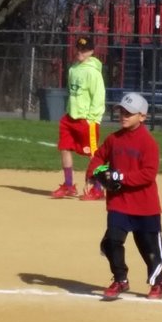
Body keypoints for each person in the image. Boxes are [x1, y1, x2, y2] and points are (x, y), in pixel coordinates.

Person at [85, 91, 162, 300]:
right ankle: (120, 279)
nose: (123, 115)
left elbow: (148, 174)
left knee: (149, 250)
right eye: (121, 111)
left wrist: (121, 177)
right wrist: (92, 175)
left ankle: (158, 281)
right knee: (111, 241)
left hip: (144, 206)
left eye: (129, 113)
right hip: (119, 203)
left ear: (142, 116)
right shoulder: (114, 139)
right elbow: (99, 157)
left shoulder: (148, 143)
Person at [51, 34, 106, 200]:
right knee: (65, 148)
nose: (80, 52)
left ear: (91, 51)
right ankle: (68, 185)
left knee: (94, 154)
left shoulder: (93, 73)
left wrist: (92, 118)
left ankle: (98, 188)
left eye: (85, 50)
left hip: (86, 119)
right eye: (79, 49)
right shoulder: (73, 68)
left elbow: (98, 97)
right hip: (70, 117)